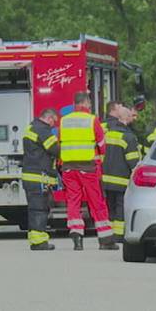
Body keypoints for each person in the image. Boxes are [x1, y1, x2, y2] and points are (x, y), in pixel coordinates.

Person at [58, 92, 112, 250]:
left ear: (75, 104)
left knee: (73, 201)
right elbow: (102, 144)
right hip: (87, 167)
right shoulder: (92, 119)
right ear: (86, 103)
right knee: (96, 201)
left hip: (68, 167)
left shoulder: (64, 121)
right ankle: (105, 240)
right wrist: (100, 163)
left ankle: (76, 237)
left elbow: (59, 142)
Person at [21, 108, 61, 251]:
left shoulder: (31, 127)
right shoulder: (43, 130)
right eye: (53, 122)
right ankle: (39, 242)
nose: (53, 125)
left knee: (35, 209)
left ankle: (36, 240)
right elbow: (55, 150)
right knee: (39, 209)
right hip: (39, 176)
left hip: (31, 175)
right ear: (49, 118)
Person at [102, 102, 141, 245]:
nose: (133, 118)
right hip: (121, 180)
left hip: (105, 178)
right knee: (120, 208)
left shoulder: (108, 133)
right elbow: (133, 162)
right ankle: (118, 235)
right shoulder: (128, 137)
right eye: (131, 115)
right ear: (125, 118)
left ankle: (110, 233)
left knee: (110, 207)